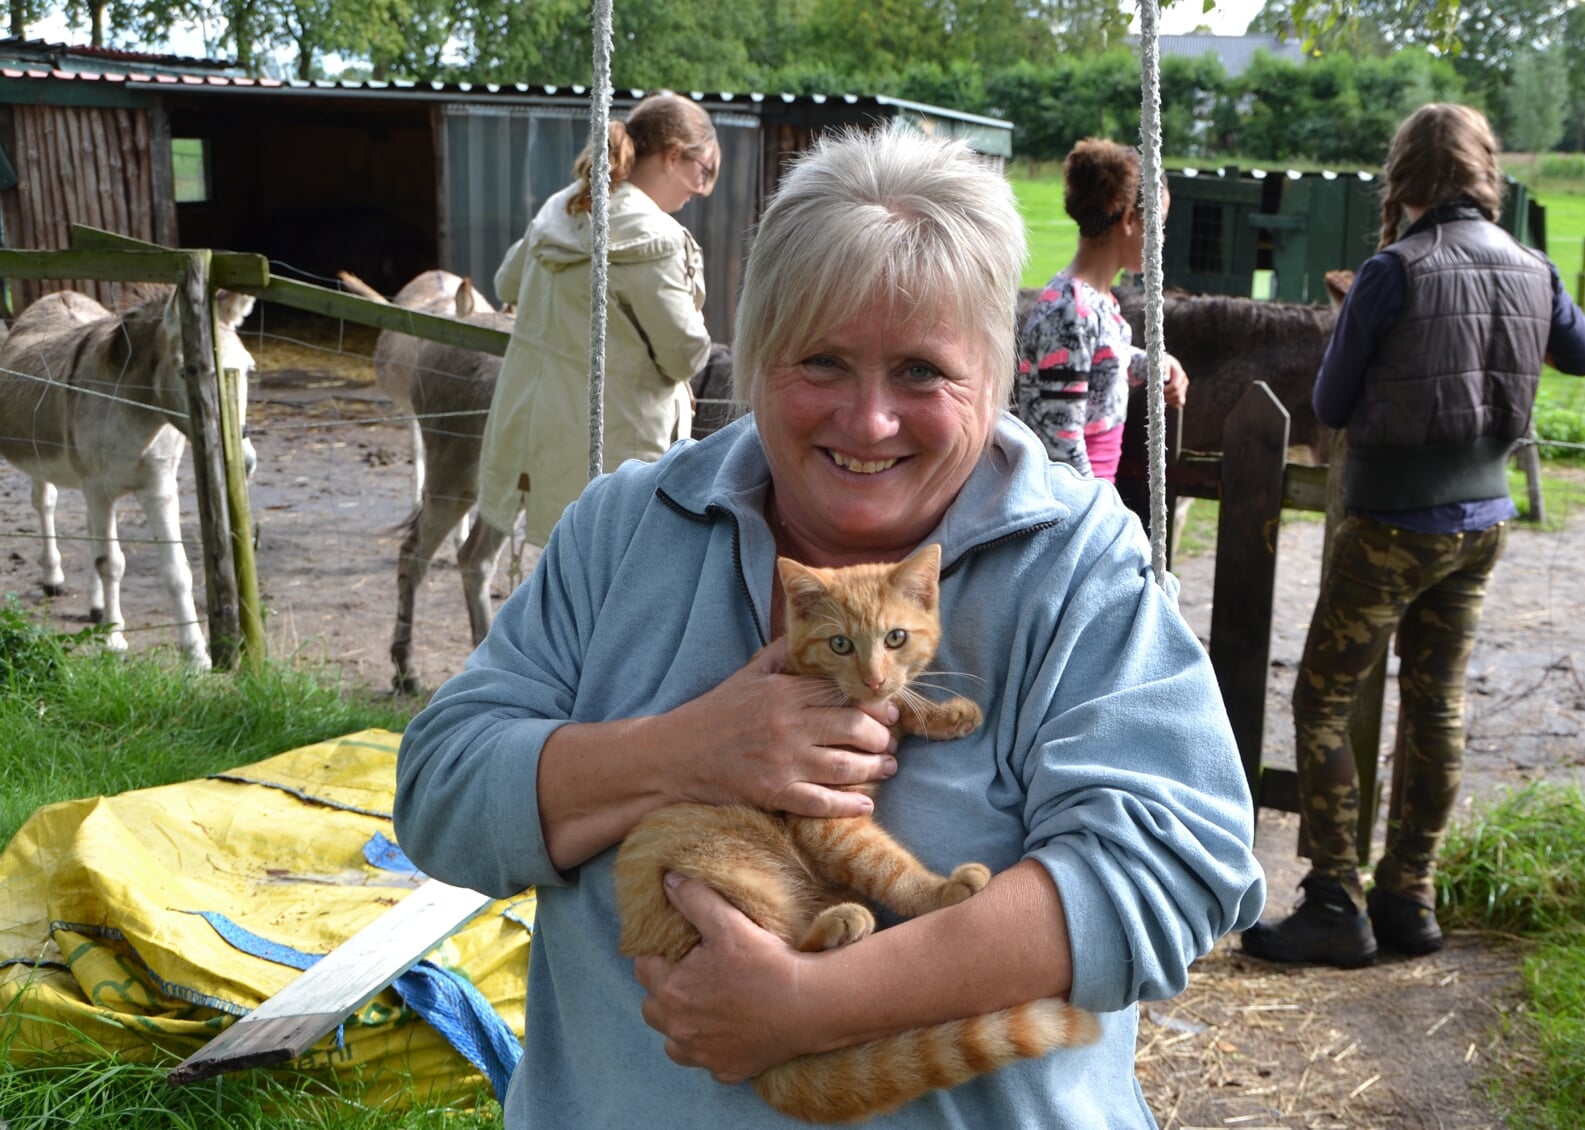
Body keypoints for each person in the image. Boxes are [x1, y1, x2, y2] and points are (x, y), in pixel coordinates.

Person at [395, 128, 1265, 1127]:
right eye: (821, 360)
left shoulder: (1073, 563)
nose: (868, 419)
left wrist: (815, 1005)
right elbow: (440, 790)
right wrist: (692, 749)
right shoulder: (627, 526)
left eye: (922, 372)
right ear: (757, 354)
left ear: (993, 371)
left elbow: (1174, 865)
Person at [1240, 103, 1585, 969]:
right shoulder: (1532, 266)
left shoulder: (1392, 271)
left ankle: (1337, 901)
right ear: (1485, 172)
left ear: (1401, 177)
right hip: (1482, 521)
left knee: (1323, 699)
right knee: (1436, 701)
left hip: (1391, 524)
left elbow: (1329, 405)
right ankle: (1411, 896)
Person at [476, 91, 719, 547]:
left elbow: (506, 285)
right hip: (616, 455)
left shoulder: (563, 206)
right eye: (703, 173)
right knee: (614, 578)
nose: (699, 191)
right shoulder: (660, 240)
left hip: (538, 440)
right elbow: (685, 355)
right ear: (672, 157)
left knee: (562, 573)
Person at [1013, 138, 1188, 502]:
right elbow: (1060, 444)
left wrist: (1158, 364)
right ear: (1128, 220)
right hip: (1069, 512)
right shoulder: (1070, 311)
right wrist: (1102, 516)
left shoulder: (1094, 303)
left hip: (1087, 500)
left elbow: (1103, 364)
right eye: (1159, 225)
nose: (1162, 239)